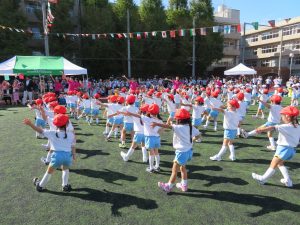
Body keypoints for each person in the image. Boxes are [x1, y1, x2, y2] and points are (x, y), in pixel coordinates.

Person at [23, 114, 76, 192]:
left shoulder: (52, 133)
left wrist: (30, 124)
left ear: (55, 124)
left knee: (49, 172)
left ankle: (40, 186)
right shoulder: (71, 134)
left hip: (57, 156)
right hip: (68, 156)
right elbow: (73, 146)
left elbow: (39, 130)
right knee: (65, 170)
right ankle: (65, 186)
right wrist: (74, 155)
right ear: (67, 124)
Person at [153, 108, 201, 193]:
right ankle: (184, 185)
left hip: (181, 153)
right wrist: (193, 139)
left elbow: (167, 126)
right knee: (183, 168)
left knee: (174, 171)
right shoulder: (191, 127)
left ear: (178, 119)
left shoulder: (177, 127)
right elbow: (198, 135)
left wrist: (156, 123)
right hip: (188, 151)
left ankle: (168, 186)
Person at [251, 106, 300, 188]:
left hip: (283, 149)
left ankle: (262, 179)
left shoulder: (285, 126)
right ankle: (288, 181)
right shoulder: (298, 126)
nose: (281, 118)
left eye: (282, 116)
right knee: (280, 164)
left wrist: (260, 130)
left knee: (273, 164)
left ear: (287, 116)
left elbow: (272, 127)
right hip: (291, 150)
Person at [124, 104, 163, 173]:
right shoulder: (160, 120)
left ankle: (151, 168)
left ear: (149, 111)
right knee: (156, 152)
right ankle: (157, 166)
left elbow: (137, 115)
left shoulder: (146, 118)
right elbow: (161, 130)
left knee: (151, 153)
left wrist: (130, 113)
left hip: (149, 137)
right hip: (157, 138)